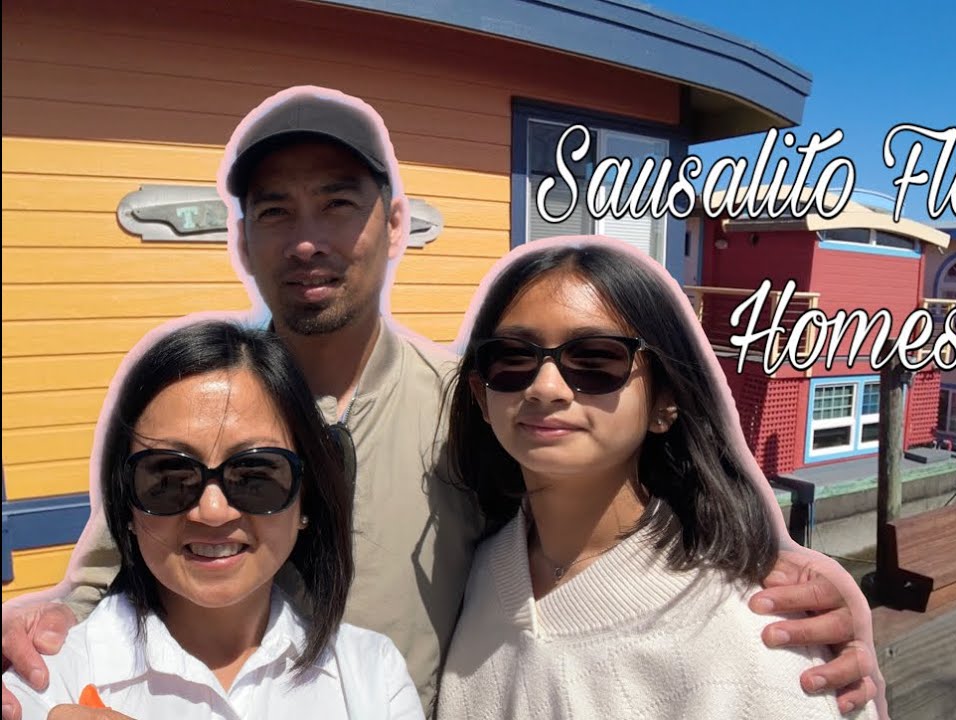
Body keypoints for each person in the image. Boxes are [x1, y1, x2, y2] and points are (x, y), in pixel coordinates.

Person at [0, 86, 885, 720]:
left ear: (395, 225)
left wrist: (806, 576)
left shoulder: (475, 405)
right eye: (276, 212)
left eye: (339, 204)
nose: (307, 239)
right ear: (242, 237)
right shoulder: (198, 417)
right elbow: (91, 600)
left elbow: (616, 501)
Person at [436, 237, 876, 719]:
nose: (545, 387)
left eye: (596, 360)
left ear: (666, 402)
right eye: (513, 358)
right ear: (481, 395)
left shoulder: (750, 630)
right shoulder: (473, 574)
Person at [2, 321, 424, 719]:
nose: (213, 510)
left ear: (306, 497)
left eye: (256, 475)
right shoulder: (47, 679)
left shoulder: (373, 675)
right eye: (168, 476)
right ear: (125, 502)